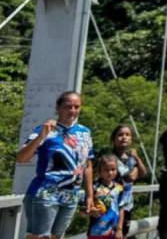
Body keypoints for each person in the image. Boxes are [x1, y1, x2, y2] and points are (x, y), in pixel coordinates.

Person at [16, 90, 94, 239]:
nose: (72, 111)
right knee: (39, 237)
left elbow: (88, 166)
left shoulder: (85, 132)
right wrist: (41, 136)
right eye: (68, 106)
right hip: (45, 194)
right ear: (58, 108)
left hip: (71, 196)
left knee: (56, 237)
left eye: (76, 107)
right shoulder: (45, 130)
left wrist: (90, 196)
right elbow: (21, 158)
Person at [110, 124, 147, 237]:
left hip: (126, 204)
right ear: (114, 139)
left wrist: (137, 159)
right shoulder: (109, 157)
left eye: (127, 135)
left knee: (123, 233)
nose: (124, 137)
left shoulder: (131, 158)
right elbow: (129, 177)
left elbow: (143, 173)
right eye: (120, 135)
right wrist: (132, 173)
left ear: (131, 139)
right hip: (110, 203)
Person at [87, 153, 125, 239]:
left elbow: (121, 209)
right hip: (95, 232)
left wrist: (119, 229)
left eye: (113, 169)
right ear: (100, 171)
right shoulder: (93, 187)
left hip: (113, 232)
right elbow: (83, 209)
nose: (110, 172)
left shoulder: (119, 188)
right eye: (106, 170)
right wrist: (89, 210)